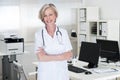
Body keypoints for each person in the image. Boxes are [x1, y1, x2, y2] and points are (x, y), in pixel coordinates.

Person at [35, 3, 73, 80]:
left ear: (55, 15)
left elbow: (69, 55)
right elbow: (41, 57)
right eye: (45, 15)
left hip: (61, 75)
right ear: (42, 18)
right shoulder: (39, 35)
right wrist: (61, 56)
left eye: (50, 14)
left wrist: (47, 56)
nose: (48, 18)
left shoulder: (63, 32)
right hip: (45, 75)